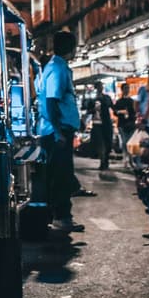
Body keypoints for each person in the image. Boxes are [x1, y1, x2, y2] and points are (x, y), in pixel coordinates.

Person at [36, 30, 85, 232]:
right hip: (57, 131)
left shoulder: (55, 66)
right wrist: (58, 132)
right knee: (61, 176)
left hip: (57, 130)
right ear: (70, 48)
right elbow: (51, 102)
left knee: (58, 175)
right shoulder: (57, 68)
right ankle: (62, 217)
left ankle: (57, 215)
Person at [93, 80, 116, 172]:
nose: (101, 88)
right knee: (101, 144)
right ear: (96, 88)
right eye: (99, 86)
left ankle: (105, 161)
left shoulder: (106, 97)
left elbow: (113, 107)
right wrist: (93, 108)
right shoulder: (92, 99)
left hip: (106, 123)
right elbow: (86, 109)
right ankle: (102, 162)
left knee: (108, 143)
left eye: (101, 86)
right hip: (97, 124)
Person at [114, 81, 137, 161]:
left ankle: (130, 158)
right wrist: (120, 112)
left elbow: (135, 112)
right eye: (125, 88)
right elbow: (115, 112)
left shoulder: (132, 101)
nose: (127, 90)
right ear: (122, 90)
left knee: (130, 142)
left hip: (131, 124)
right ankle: (126, 157)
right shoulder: (119, 101)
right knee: (124, 142)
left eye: (128, 88)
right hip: (122, 125)